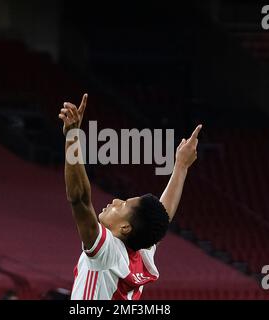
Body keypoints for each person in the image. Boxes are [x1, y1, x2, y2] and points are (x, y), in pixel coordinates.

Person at [58, 93, 202, 300]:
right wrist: (181, 166)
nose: (115, 201)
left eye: (123, 205)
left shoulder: (107, 251)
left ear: (125, 228)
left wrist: (72, 137)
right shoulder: (140, 255)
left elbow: (79, 198)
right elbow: (162, 216)